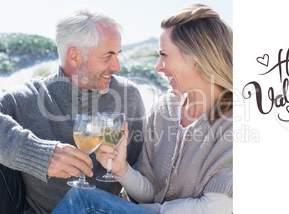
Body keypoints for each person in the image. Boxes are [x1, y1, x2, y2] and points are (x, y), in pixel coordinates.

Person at [52, 3, 233, 213]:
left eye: (164, 55)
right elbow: (150, 192)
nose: (158, 66)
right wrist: (122, 170)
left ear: (196, 57)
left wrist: (139, 209)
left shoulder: (234, 121)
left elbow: (216, 207)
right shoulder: (164, 109)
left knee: (83, 200)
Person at [0, 6, 145, 213]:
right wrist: (38, 155)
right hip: (26, 208)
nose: (117, 66)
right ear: (74, 56)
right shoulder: (29, 96)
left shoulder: (128, 96)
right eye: (108, 56)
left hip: (95, 209)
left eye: (118, 54)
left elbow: (138, 179)